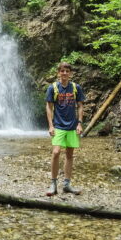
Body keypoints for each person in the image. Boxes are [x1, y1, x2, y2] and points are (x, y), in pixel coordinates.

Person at [45, 61, 85, 196]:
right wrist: (50, 125)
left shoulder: (75, 88)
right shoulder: (53, 88)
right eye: (62, 71)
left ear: (70, 73)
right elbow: (49, 107)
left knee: (69, 154)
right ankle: (53, 183)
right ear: (58, 73)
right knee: (56, 152)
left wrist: (79, 123)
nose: (65, 73)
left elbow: (80, 106)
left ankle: (67, 184)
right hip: (58, 126)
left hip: (72, 126)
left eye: (67, 71)